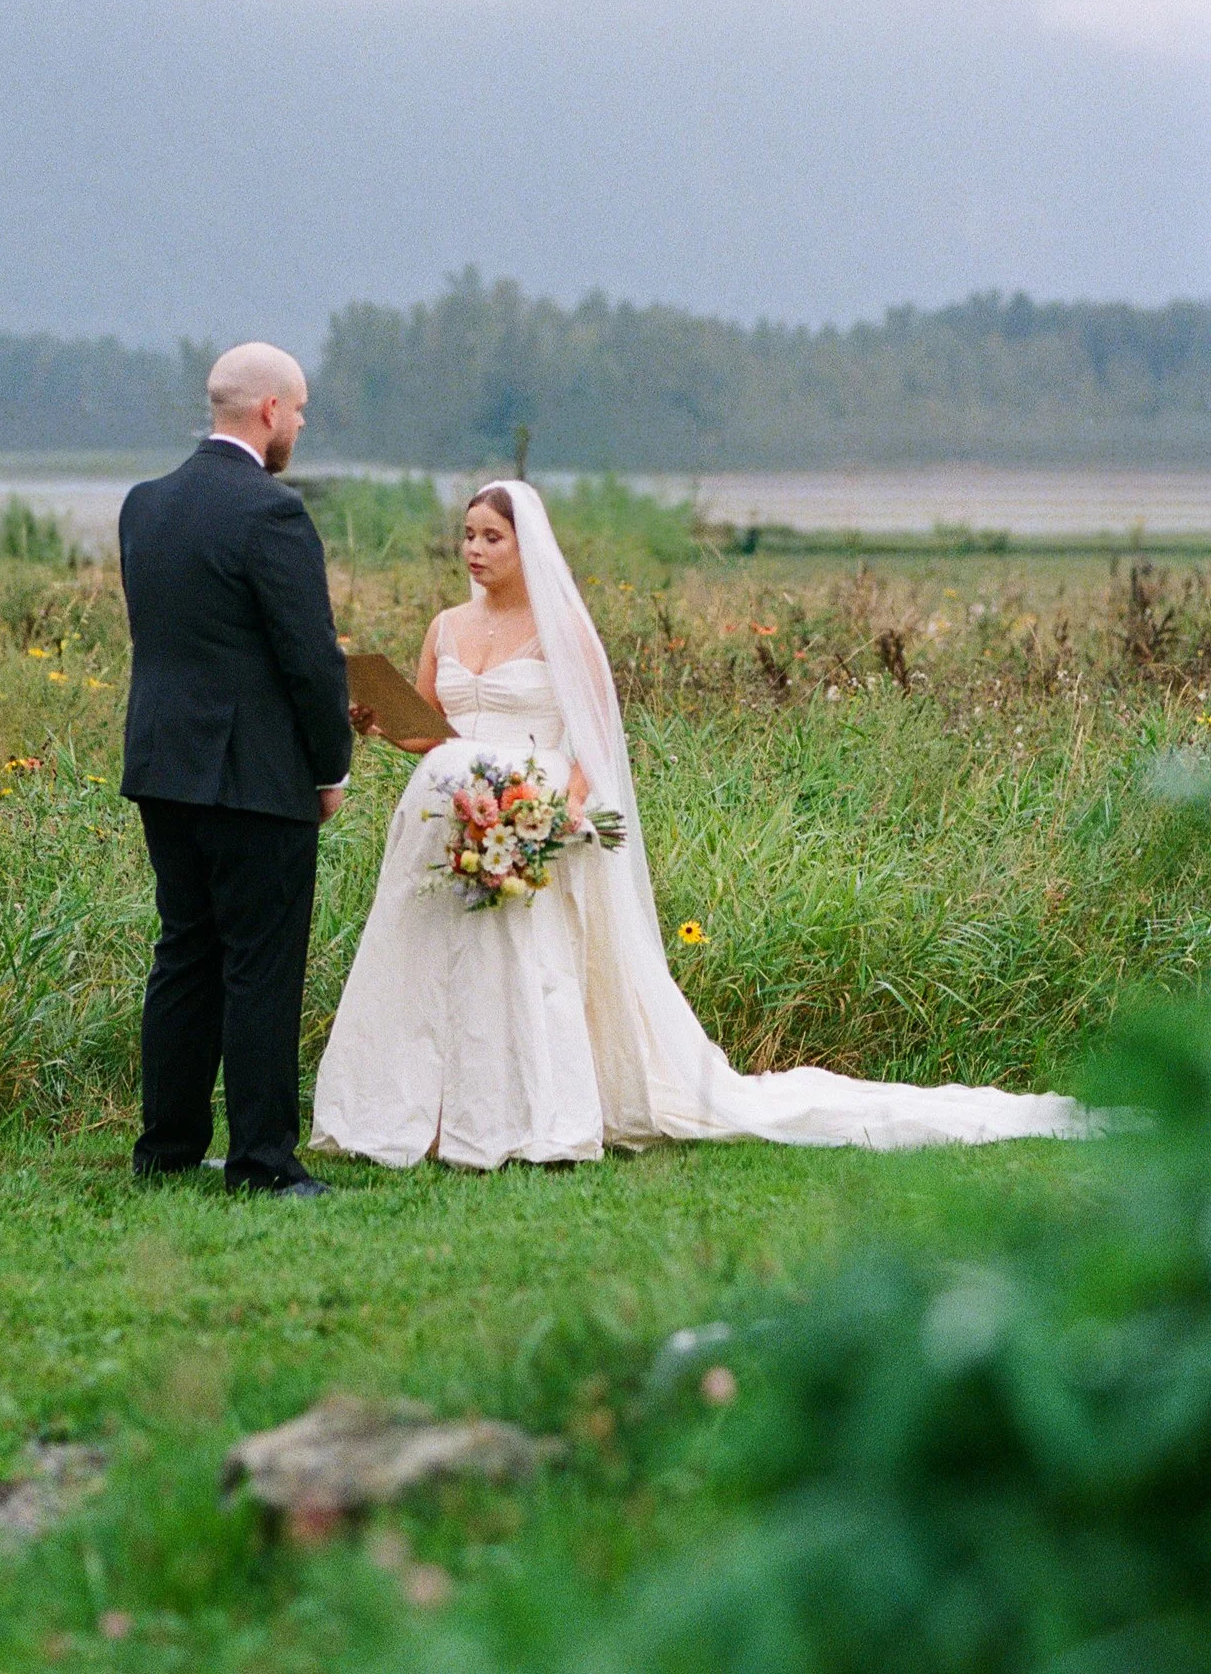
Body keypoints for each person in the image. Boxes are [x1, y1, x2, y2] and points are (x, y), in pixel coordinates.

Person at [311, 480, 1088, 1169]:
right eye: (468, 535)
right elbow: (433, 729)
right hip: (443, 810)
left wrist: (561, 809)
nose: (473, 550)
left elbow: (590, 738)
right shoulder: (445, 626)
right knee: (428, 963)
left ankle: (526, 1117)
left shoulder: (563, 631)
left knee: (519, 966)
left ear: (525, 546)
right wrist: (377, 721)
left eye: (490, 537)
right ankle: (426, 1117)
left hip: (527, 806)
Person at [119, 342, 352, 1197]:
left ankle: (167, 1149)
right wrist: (330, 766)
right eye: (297, 411)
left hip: (161, 764)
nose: (298, 425)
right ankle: (262, 1162)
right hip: (254, 774)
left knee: (184, 954)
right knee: (261, 964)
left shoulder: (144, 506)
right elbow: (310, 661)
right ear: (268, 412)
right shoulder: (271, 514)